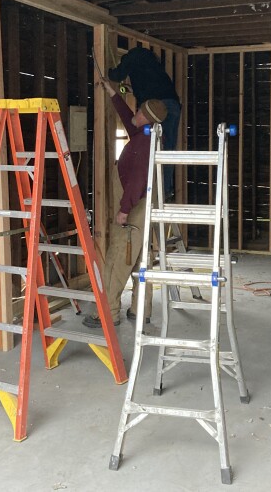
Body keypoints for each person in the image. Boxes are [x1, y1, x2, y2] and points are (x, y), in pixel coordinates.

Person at [82, 79, 167, 329]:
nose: (136, 112)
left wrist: (124, 210)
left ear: (147, 119)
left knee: (118, 258)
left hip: (135, 208)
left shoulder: (143, 143)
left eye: (140, 111)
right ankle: (141, 310)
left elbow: (138, 180)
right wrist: (113, 94)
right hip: (143, 207)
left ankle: (107, 314)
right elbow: (128, 117)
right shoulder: (145, 135)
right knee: (141, 260)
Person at [108, 45, 181, 199]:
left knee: (148, 146)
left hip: (156, 108)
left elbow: (116, 75)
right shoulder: (152, 65)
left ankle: (150, 192)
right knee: (166, 150)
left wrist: (107, 72)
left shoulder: (133, 55)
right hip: (173, 105)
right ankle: (165, 190)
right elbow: (150, 86)